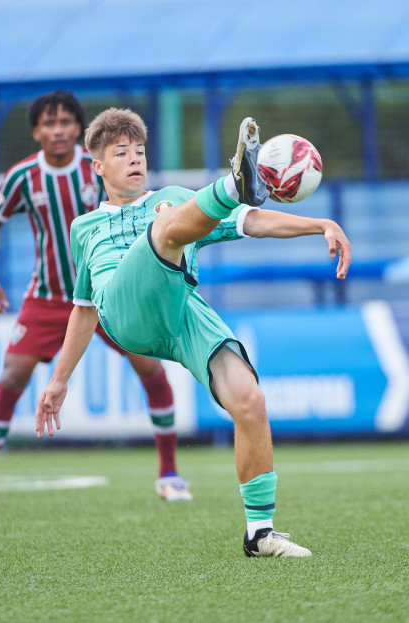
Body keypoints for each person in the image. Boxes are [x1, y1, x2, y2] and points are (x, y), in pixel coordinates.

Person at [36, 108, 351, 557]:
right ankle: (235, 183)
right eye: (121, 152)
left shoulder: (172, 197)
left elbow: (252, 222)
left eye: (140, 151)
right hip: (124, 314)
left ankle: (259, 533)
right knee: (166, 227)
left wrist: (319, 224)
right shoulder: (84, 228)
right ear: (98, 167)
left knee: (249, 399)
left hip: (179, 306)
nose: (134, 159)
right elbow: (84, 310)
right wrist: (58, 379)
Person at [0, 90, 190, 509]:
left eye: (65, 122)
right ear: (36, 131)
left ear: (78, 131)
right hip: (47, 296)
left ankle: (170, 474)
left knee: (151, 370)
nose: (58, 130)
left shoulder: (100, 168)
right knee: (11, 378)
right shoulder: (23, 177)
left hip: (107, 289)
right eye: (49, 123)